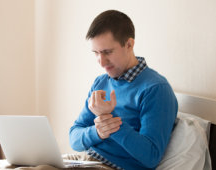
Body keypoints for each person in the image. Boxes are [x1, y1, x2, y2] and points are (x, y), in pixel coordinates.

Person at [69, 10, 178, 170]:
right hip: (86, 159)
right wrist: (98, 132)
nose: (101, 62)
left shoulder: (156, 89)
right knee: (22, 164)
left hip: (115, 166)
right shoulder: (101, 82)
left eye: (107, 52)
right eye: (96, 53)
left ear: (129, 44)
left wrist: (108, 118)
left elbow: (151, 156)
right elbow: (74, 138)